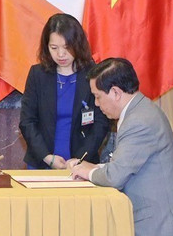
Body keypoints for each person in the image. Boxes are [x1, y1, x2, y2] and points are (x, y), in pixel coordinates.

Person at [68, 58, 173, 236]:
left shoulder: (139, 121)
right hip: (151, 218)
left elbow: (115, 177)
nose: (96, 105)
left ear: (116, 93)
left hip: (156, 230)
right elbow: (124, 164)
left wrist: (87, 172)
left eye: (98, 97)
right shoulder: (139, 110)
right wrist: (93, 167)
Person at [19, 13, 110, 169]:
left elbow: (101, 124)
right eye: (54, 48)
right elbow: (27, 122)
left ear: (78, 44)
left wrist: (80, 160)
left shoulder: (93, 75)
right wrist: (47, 157)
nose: (60, 54)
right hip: (43, 162)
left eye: (67, 47)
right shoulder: (38, 75)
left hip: (82, 163)